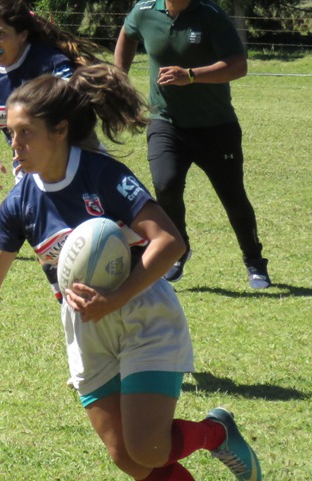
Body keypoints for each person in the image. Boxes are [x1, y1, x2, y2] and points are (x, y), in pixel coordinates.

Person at [0, 67, 262, 481]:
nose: (14, 144)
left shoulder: (101, 175)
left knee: (150, 447)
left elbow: (169, 241)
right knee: (127, 456)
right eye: (9, 133)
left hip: (142, 317)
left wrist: (115, 298)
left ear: (60, 131)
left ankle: (214, 434)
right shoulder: (20, 202)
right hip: (86, 332)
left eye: (25, 133)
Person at [114, 0, 271, 288]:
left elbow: (239, 65)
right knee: (165, 185)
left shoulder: (210, 15)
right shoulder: (145, 10)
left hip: (215, 126)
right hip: (166, 123)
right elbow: (128, 33)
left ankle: (254, 262)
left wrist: (190, 76)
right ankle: (178, 250)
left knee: (233, 198)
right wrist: (119, 78)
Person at [0, 0, 101, 191]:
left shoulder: (49, 63)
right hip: (28, 170)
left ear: (22, 35)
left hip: (76, 159)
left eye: (0, 33)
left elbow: (75, 101)